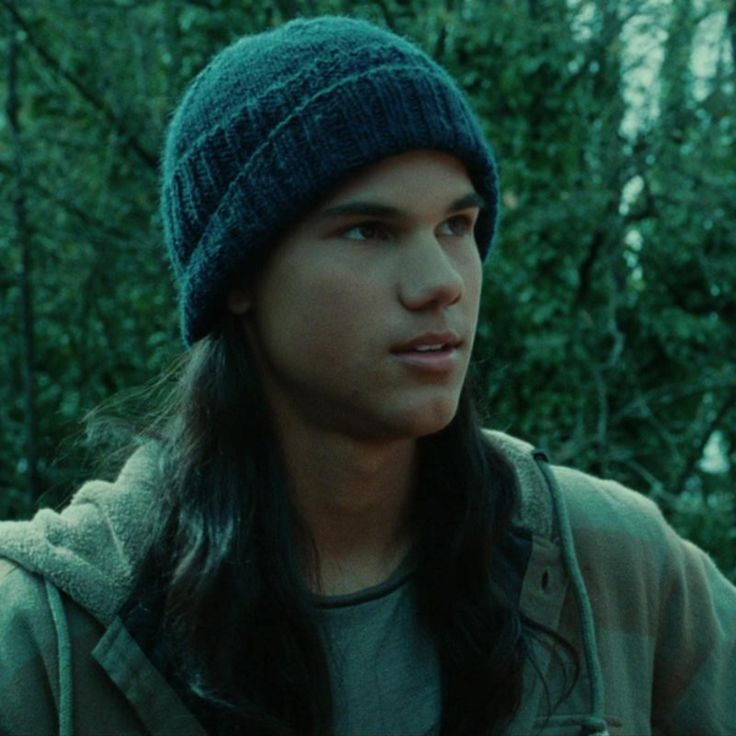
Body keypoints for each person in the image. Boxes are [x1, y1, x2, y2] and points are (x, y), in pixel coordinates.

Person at [0, 15, 734, 736]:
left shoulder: (613, 565)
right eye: (368, 231)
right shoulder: (49, 638)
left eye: (457, 225)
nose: (440, 281)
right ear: (238, 277)